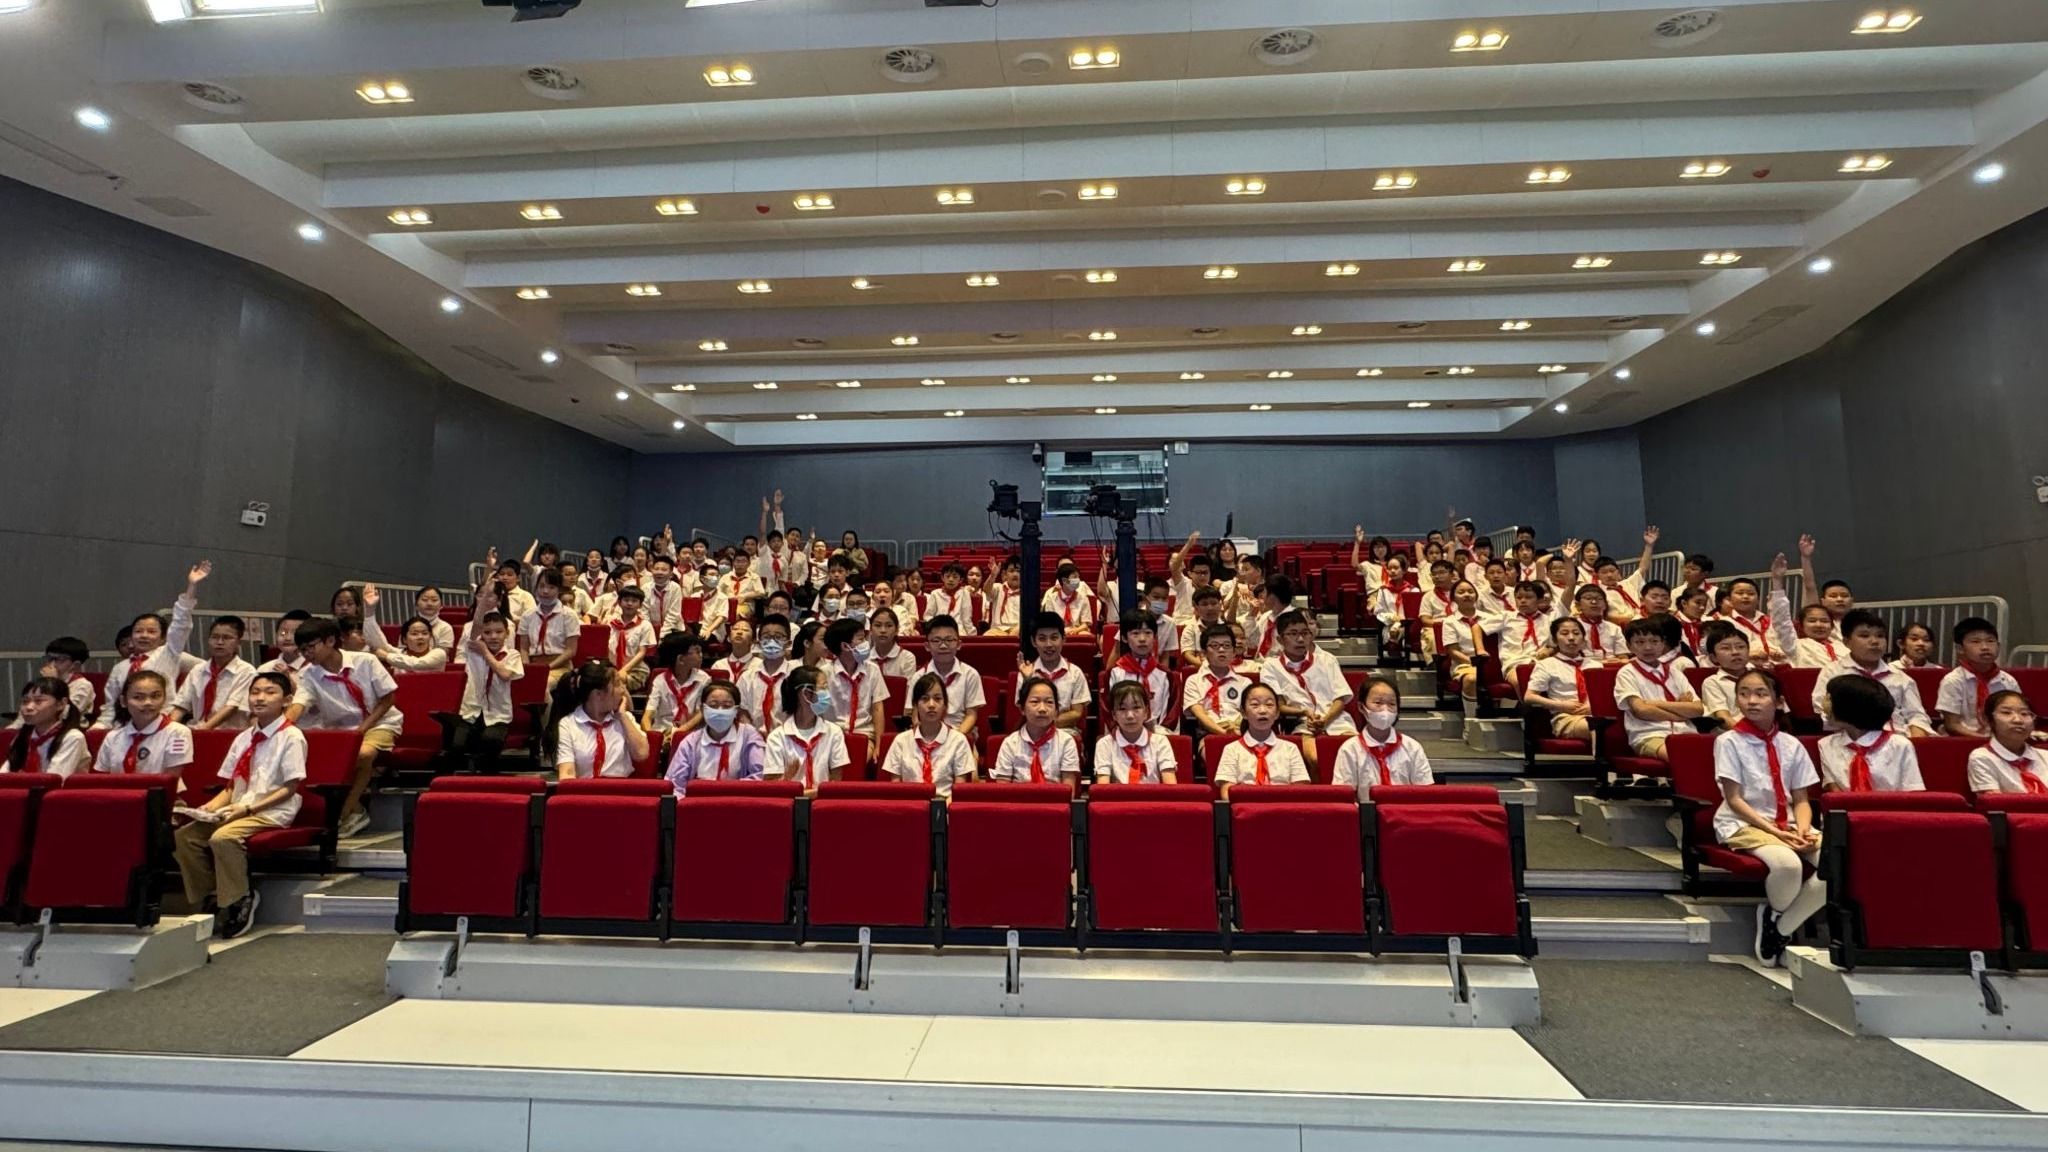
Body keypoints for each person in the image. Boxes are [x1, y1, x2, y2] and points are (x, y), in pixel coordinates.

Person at [172, 671, 306, 938]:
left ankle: (240, 898)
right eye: (255, 692)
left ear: (286, 700)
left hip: (271, 811)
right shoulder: (244, 738)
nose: (260, 698)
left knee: (223, 838)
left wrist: (248, 809)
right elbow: (232, 786)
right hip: (238, 807)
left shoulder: (292, 736)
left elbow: (289, 788)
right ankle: (212, 894)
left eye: (269, 692)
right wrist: (208, 808)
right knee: (185, 837)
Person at [1713, 669, 1823, 967]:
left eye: (1761, 694)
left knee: (1838, 864)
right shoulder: (1729, 741)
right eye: (1744, 694)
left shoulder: (1791, 744)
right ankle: (1783, 926)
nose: (1751, 701)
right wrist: (1776, 833)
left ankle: (1779, 925)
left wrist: (1802, 829)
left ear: (1778, 701)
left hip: (1790, 822)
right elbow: (1734, 799)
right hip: (1745, 822)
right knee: (1787, 864)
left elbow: (1801, 799)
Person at [287, 617, 402, 836]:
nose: (307, 654)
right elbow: (298, 705)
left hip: (380, 722)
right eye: (302, 650)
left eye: (311, 647)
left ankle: (345, 811)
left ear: (330, 641)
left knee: (363, 754)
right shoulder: (309, 674)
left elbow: (388, 699)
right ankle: (356, 810)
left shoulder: (366, 661)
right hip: (340, 732)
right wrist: (281, 725)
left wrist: (362, 729)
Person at [96, 562, 206, 729]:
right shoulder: (120, 668)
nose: (144, 635)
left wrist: (191, 587)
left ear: (163, 638)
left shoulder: (167, 654)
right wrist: (98, 727)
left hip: (162, 723)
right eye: (138, 631)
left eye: (151, 631)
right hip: (126, 727)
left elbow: (180, 625)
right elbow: (110, 707)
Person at [1811, 609, 1934, 736]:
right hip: (1849, 739)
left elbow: (1917, 716)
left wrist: (1914, 742)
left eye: (1880, 636)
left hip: (1897, 739)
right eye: (1864, 636)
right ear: (1847, 642)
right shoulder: (1833, 672)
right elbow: (1823, 712)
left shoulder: (1900, 678)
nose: (1875, 641)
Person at [1613, 614, 1703, 762]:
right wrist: (1679, 712)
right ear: (1629, 646)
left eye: (1654, 641)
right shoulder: (1627, 673)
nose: (1648, 647)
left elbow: (1697, 709)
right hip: (1650, 735)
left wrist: (1653, 703)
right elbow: (1641, 710)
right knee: (1682, 758)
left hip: (1686, 733)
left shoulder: (1675, 672)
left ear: (1663, 644)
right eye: (1640, 642)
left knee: (1716, 757)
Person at [1817, 675, 1923, 792]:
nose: (1824, 707)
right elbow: (1836, 794)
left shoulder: (1900, 745)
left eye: (1830, 700)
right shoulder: (1827, 745)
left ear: (1850, 707)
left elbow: (1912, 793)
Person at [449, 610, 523, 775]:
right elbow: (475, 626)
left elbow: (504, 674)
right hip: (471, 711)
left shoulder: (512, 655)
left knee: (491, 741)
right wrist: (484, 603)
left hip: (498, 715)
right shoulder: (472, 651)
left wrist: (485, 652)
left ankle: (489, 779)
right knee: (456, 744)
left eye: (499, 632)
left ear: (507, 633)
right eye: (487, 632)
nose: (493, 636)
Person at [882, 673, 977, 795]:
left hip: (945, 803)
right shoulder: (901, 741)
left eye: (937, 699)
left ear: (945, 705)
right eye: (925, 699)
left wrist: (941, 806)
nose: (931, 705)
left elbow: (959, 791)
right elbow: (896, 789)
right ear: (915, 705)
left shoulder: (958, 741)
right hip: (910, 803)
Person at [664, 680, 763, 796]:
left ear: (736, 710)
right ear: (703, 709)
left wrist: (728, 792)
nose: (720, 711)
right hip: (698, 803)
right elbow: (675, 785)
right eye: (713, 705)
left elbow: (760, 776)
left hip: (738, 801)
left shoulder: (749, 736)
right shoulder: (691, 742)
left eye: (727, 706)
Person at [1332, 677, 1433, 790]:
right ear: (1361, 707)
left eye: (1392, 704)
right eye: (1378, 703)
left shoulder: (1412, 747)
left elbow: (1425, 791)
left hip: (1403, 802)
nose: (1385, 709)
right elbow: (1344, 794)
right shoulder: (1350, 749)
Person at [1210, 682, 1309, 795]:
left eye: (1269, 705)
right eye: (1255, 705)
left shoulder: (1290, 748)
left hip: (1282, 805)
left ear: (1277, 713)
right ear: (1243, 713)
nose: (1263, 710)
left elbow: (1300, 791)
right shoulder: (1232, 749)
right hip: (1245, 805)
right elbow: (1227, 793)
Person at [554, 662, 648, 779]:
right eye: (617, 684)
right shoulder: (568, 724)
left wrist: (622, 716)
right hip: (584, 788)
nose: (623, 690)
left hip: (619, 788)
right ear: (598, 694)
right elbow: (567, 774)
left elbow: (642, 754)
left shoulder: (625, 718)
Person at [764, 665, 849, 792]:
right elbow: (771, 786)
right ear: (806, 694)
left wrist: (813, 795)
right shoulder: (776, 738)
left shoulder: (834, 732)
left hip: (822, 799)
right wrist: (786, 778)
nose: (827, 694)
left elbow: (836, 778)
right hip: (790, 800)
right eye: (823, 688)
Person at [988, 676, 1081, 790]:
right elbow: (1002, 790)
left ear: (1057, 710)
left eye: (1049, 702)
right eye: (1035, 702)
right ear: (1022, 709)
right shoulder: (1010, 743)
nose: (1042, 709)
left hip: (1054, 800)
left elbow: (1068, 791)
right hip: (1018, 800)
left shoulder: (1066, 742)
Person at [95, 671, 194, 776]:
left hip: (161, 787)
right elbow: (102, 779)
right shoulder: (112, 737)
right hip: (119, 787)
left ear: (165, 698)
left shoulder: (177, 733)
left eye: (155, 696)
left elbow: (171, 779)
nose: (148, 702)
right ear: (123, 701)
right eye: (138, 697)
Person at [1938, 616, 2019, 737]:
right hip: (1964, 739)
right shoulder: (1953, 681)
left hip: (2002, 738)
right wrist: (1984, 740)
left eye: (1990, 641)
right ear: (1960, 649)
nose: (1985, 647)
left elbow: (2017, 714)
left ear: (1998, 646)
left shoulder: (2008, 681)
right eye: (1976, 642)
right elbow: (1952, 724)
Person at [174, 615, 255, 731]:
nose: (219, 642)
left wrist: (204, 730)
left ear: (238, 642)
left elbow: (231, 707)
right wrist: (166, 729)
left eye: (227, 638)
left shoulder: (246, 671)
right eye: (215, 637)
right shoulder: (198, 670)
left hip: (228, 733)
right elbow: (181, 705)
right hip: (196, 729)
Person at [910, 616, 985, 738]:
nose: (943, 646)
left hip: (960, 734)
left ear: (959, 644)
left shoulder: (970, 674)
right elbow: (915, 716)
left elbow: (971, 715)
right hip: (928, 735)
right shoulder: (918, 677)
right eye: (936, 641)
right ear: (927, 646)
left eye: (949, 640)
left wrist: (953, 740)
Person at [1524, 618, 1595, 741]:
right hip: (1565, 717)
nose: (1571, 638)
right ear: (1555, 640)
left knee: (1611, 725)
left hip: (1594, 713)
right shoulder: (1546, 665)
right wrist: (1561, 705)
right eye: (1564, 633)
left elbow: (1605, 695)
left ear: (1584, 640)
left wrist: (1592, 706)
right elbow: (1529, 697)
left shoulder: (1595, 665)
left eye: (1576, 633)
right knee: (1596, 727)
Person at [1094, 681, 1178, 783]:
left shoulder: (1160, 742)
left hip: (1154, 793)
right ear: (1114, 715)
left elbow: (1170, 786)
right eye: (1122, 709)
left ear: (1146, 712)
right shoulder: (1104, 744)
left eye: (1136, 707)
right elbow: (1103, 788)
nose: (1130, 715)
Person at [823, 618, 884, 759]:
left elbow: (878, 708)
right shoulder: (824, 673)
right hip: (832, 734)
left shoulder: (872, 669)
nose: (866, 643)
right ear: (845, 646)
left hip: (864, 733)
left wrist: (880, 745)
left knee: (859, 759)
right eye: (861, 639)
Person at [1016, 612, 1090, 729]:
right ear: (1033, 641)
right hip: (1034, 731)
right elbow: (1023, 711)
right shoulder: (1026, 673)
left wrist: (1046, 723)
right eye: (1042, 639)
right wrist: (1027, 681)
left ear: (1063, 639)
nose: (1049, 644)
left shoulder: (1075, 673)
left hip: (1065, 730)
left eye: (1054, 638)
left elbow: (1077, 713)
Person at [1967, 691, 2048, 795]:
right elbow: (1994, 802)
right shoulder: (1982, 757)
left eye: (2024, 714)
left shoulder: (2045, 756)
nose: (2018, 720)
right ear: (1988, 720)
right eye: (2006, 713)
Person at [7, 677, 90, 776]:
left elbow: (54, 779)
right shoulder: (23, 736)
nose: (29, 707)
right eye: (25, 701)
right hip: (23, 785)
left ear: (61, 704)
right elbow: (5, 773)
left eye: (38, 701)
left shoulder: (72, 737)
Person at [1106, 609, 1172, 727]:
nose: (1142, 639)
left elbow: (1168, 716)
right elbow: (1111, 712)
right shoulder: (1117, 673)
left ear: (1155, 637)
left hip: (1158, 732)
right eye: (1135, 633)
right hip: (1123, 730)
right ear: (1124, 638)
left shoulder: (1164, 674)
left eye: (1148, 633)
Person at [518, 569, 581, 687]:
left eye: (551, 587)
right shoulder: (527, 615)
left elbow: (571, 650)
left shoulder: (569, 615)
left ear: (559, 590)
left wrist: (548, 667)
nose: (545, 591)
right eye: (541, 586)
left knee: (542, 684)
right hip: (533, 664)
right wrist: (527, 667)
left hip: (560, 666)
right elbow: (524, 649)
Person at [643, 632, 711, 735]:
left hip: (689, 733)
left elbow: (700, 713)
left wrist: (677, 733)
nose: (701, 655)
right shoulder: (660, 681)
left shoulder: (703, 679)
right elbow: (648, 714)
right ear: (681, 659)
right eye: (697, 651)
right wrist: (652, 736)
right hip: (662, 732)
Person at [739, 614, 798, 728]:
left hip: (787, 735)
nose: (772, 642)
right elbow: (741, 711)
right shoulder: (746, 677)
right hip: (753, 735)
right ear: (758, 643)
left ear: (788, 643)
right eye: (766, 637)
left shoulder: (796, 676)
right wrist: (753, 735)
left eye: (778, 637)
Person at [1697, 621, 1756, 730]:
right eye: (1726, 648)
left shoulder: (1762, 677)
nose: (1735, 652)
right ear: (1713, 657)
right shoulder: (1713, 683)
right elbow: (1724, 719)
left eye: (1740, 647)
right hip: (1733, 734)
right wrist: (1751, 734)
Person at [1490, 581, 1556, 673]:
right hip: (1514, 663)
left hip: (1540, 663)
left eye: (1528, 597)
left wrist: (1549, 651)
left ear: (1539, 600)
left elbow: (1554, 645)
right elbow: (1477, 626)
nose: (1523, 601)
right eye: (1519, 597)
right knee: (1523, 677)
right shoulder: (1506, 617)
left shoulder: (1547, 621)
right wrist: (1480, 648)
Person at [603, 585, 657, 690]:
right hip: (611, 668)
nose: (629, 603)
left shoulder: (645, 625)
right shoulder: (610, 623)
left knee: (613, 683)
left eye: (634, 601)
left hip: (636, 670)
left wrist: (623, 670)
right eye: (626, 600)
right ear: (619, 602)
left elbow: (642, 653)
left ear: (640, 605)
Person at [36, 637, 98, 721]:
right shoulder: (42, 683)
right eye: (49, 659)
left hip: (70, 727)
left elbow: (65, 715)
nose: (52, 664)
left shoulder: (83, 686)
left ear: (75, 665)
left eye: (60, 660)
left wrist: (53, 683)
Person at [1568, 585, 1626, 663]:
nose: (1594, 602)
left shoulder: (1614, 628)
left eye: (1599, 599)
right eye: (1588, 598)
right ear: (1578, 605)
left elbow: (1622, 655)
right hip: (1582, 664)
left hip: (1610, 665)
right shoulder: (1571, 627)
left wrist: (1620, 660)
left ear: (1605, 605)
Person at [256, 609, 313, 681]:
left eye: (295, 633)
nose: (287, 638)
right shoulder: (265, 669)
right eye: (283, 633)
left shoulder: (314, 669)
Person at [1042, 561, 1095, 635]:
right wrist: (1063, 631)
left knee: (1085, 634)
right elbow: (1050, 622)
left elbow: (1085, 624)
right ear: (1064, 581)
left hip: (1077, 630)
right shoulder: (1051, 598)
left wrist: (1075, 630)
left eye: (1078, 577)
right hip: (1057, 631)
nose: (1078, 580)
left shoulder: (1083, 598)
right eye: (1074, 577)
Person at [386, 615, 451, 671]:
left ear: (430, 637)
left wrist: (386, 656)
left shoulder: (439, 654)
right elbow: (381, 643)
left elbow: (417, 664)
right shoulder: (398, 654)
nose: (420, 637)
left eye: (424, 633)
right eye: (414, 634)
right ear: (404, 639)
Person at [867, 607, 917, 679]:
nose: (883, 630)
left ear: (897, 630)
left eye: (889, 626)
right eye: (878, 625)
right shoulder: (865, 658)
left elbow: (908, 686)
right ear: (870, 630)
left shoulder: (907, 658)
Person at [980, 558, 1024, 636]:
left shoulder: (1027, 593)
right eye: (1011, 571)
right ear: (1005, 574)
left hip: (1019, 629)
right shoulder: (998, 588)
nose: (1015, 574)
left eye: (1018, 571)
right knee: (986, 636)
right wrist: (993, 575)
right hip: (998, 630)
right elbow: (986, 589)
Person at [712, 618, 754, 683]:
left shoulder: (759, 665)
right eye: (735, 629)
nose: (739, 632)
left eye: (745, 630)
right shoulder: (718, 666)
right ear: (729, 638)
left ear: (753, 640)